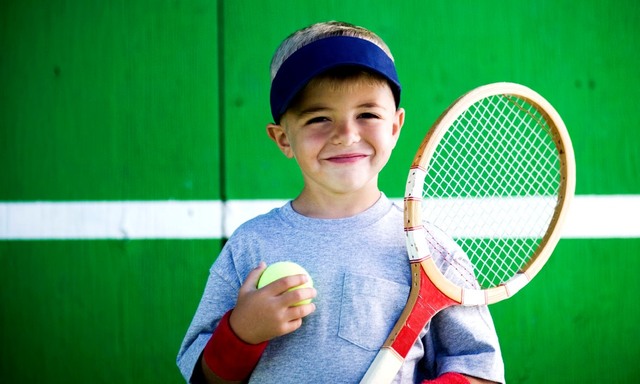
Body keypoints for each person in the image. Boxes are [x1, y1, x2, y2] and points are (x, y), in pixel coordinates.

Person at [177, 21, 505, 384]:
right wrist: (241, 333)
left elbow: (479, 369)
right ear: (282, 139)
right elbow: (203, 377)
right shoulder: (250, 246)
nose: (346, 135)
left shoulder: (432, 253)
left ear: (395, 127)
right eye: (319, 118)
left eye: (367, 114)